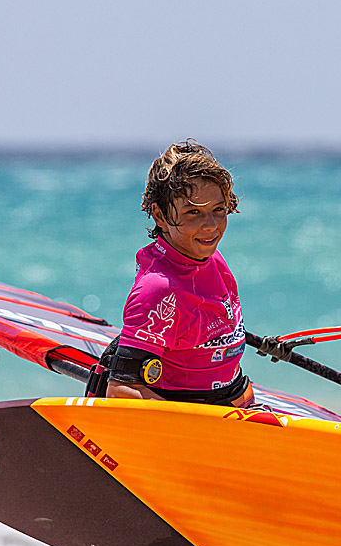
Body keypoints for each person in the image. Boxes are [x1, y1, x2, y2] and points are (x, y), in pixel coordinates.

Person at [98, 139, 255, 407]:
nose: (211, 226)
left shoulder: (212, 260)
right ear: (160, 216)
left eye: (218, 210)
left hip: (235, 404)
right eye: (193, 212)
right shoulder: (158, 290)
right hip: (196, 419)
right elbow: (121, 392)